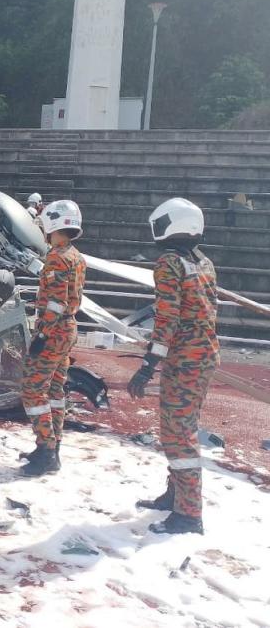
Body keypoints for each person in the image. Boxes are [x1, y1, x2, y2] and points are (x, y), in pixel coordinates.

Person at [127, 198, 218, 535]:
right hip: (203, 355)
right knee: (179, 426)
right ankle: (176, 495)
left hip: (184, 359)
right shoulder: (203, 262)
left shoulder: (168, 262)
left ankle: (188, 514)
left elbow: (168, 317)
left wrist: (149, 364)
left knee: (178, 434)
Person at [19, 200, 85, 477]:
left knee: (33, 389)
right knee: (55, 392)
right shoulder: (76, 256)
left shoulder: (57, 257)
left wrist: (42, 334)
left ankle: (46, 450)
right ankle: (53, 447)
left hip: (54, 330)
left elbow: (56, 303)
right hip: (68, 329)